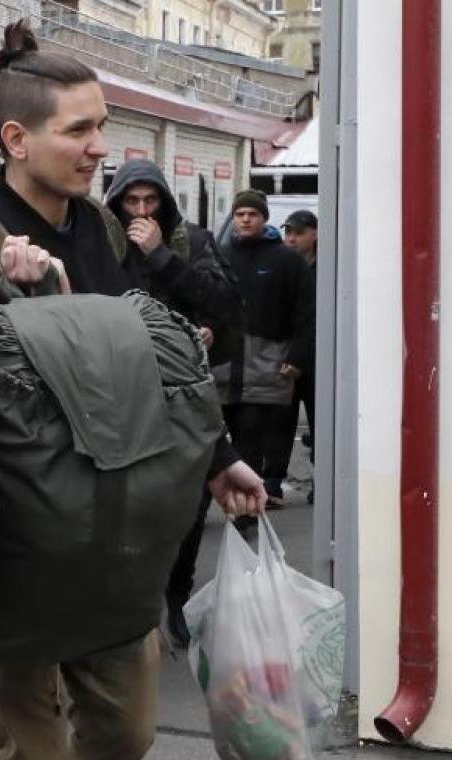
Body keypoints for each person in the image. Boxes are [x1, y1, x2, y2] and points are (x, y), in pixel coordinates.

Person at [0, 20, 267, 760]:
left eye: (100, 126)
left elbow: (149, 361)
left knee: (125, 735)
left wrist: (217, 456)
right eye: (79, 130)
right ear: (16, 139)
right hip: (14, 537)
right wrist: (10, 299)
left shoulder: (103, 228)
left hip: (110, 528)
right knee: (31, 754)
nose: (99, 147)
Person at [103, 157, 245, 648]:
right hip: (123, 390)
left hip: (187, 392)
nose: (142, 211)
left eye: (151, 200)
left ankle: (178, 596)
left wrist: (162, 256)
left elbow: (223, 303)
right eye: (132, 201)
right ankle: (133, 606)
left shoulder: (194, 242)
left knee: (190, 504)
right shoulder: (104, 244)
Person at [215, 191, 315, 510]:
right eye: (240, 214)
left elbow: (307, 313)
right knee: (218, 439)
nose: (246, 220)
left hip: (267, 365)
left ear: (264, 218)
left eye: (253, 214)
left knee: (255, 436)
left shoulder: (286, 260)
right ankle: (229, 501)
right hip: (223, 366)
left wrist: (297, 356)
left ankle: (254, 501)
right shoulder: (218, 255)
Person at [279, 209, 318, 500]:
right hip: (287, 353)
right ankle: (272, 482)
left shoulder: (328, 266)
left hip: (318, 357)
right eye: (288, 232)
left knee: (320, 423)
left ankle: (322, 481)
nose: (292, 238)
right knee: (281, 422)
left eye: (299, 233)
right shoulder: (282, 264)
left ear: (315, 234)